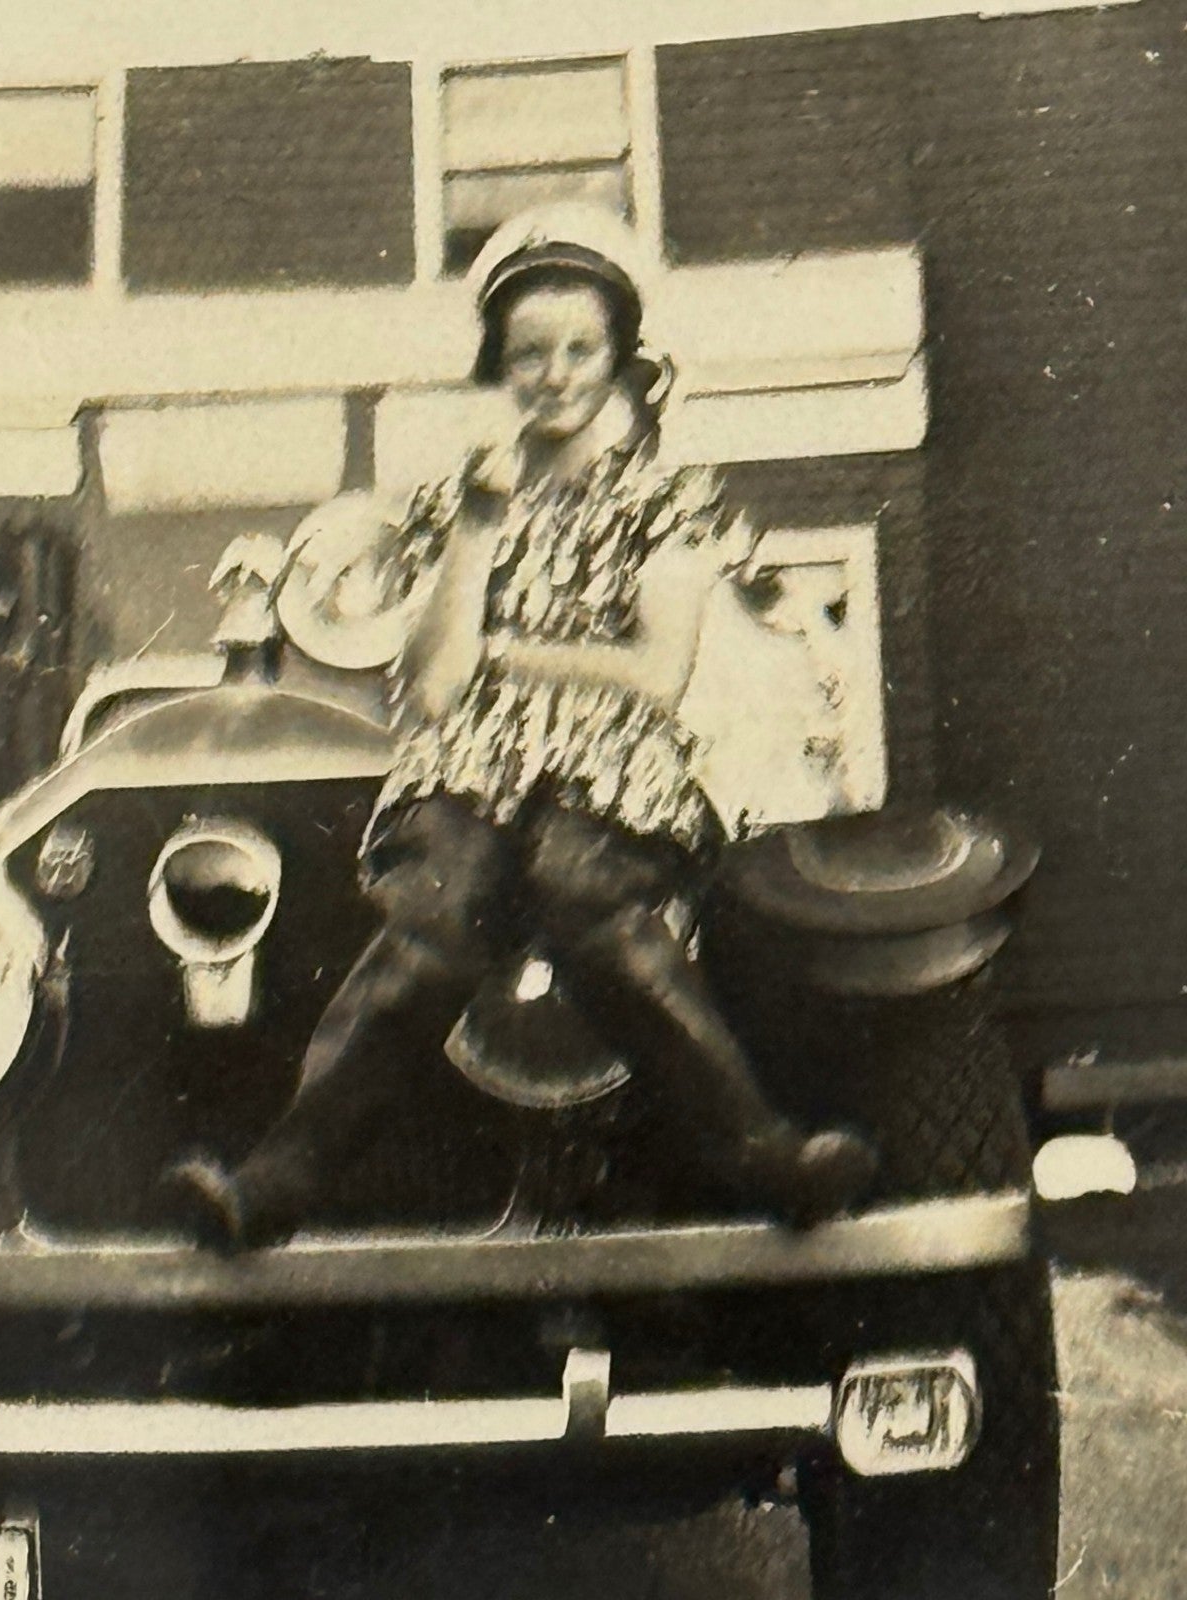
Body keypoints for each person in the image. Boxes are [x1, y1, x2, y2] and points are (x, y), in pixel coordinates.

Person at [164, 204, 877, 1249]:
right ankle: (272, 1184)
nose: (554, 374)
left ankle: (766, 1153)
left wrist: (504, 649)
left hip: (608, 763)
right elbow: (437, 687)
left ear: (617, 356)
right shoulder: (463, 498)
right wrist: (475, 533)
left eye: (579, 349)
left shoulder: (664, 500)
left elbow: (652, 672)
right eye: (529, 353)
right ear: (501, 361)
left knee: (587, 896)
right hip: (474, 765)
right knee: (429, 929)